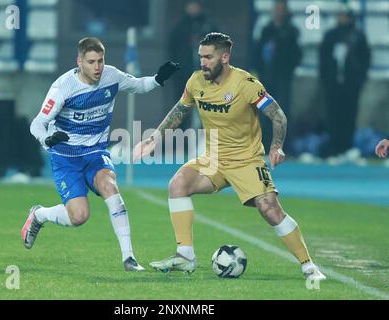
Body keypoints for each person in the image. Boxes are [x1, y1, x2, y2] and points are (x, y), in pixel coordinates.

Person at [133, 32, 325, 281]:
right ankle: (185, 255)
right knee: (177, 185)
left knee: (269, 209)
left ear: (224, 57)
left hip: (246, 160)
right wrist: (155, 137)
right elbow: (180, 109)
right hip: (213, 159)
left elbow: (278, 116)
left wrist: (276, 147)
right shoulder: (195, 81)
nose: (203, 62)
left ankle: (308, 265)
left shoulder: (246, 84)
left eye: (209, 57)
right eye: (201, 56)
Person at [22, 37, 179, 271]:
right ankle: (39, 214)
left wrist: (158, 79)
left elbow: (138, 85)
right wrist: (47, 139)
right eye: (91, 62)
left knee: (109, 185)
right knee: (79, 216)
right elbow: (38, 123)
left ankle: (129, 257)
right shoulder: (62, 87)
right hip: (66, 158)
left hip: (95, 152)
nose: (97, 67)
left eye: (101, 61)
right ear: (79, 62)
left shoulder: (111, 76)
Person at [319, 5, 371, 158]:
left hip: (350, 85)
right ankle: (334, 149)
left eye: (344, 15)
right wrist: (326, 80)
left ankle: (347, 148)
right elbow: (323, 60)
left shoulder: (358, 36)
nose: (341, 18)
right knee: (333, 116)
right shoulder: (330, 36)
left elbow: (365, 60)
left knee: (349, 116)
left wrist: (359, 80)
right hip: (333, 84)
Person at [255, 0, 301, 152]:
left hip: (283, 78)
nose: (278, 12)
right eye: (276, 9)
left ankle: (282, 146)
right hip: (266, 77)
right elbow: (258, 53)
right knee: (265, 112)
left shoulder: (291, 31)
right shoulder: (266, 30)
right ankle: (265, 143)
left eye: (281, 9)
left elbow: (296, 55)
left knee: (282, 112)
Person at [168, 0, 218, 130]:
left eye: (196, 4)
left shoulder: (209, 27)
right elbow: (172, 52)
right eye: (190, 4)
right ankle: (179, 143)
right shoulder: (179, 29)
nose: (193, 8)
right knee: (182, 111)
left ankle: (207, 144)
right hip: (184, 76)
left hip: (207, 76)